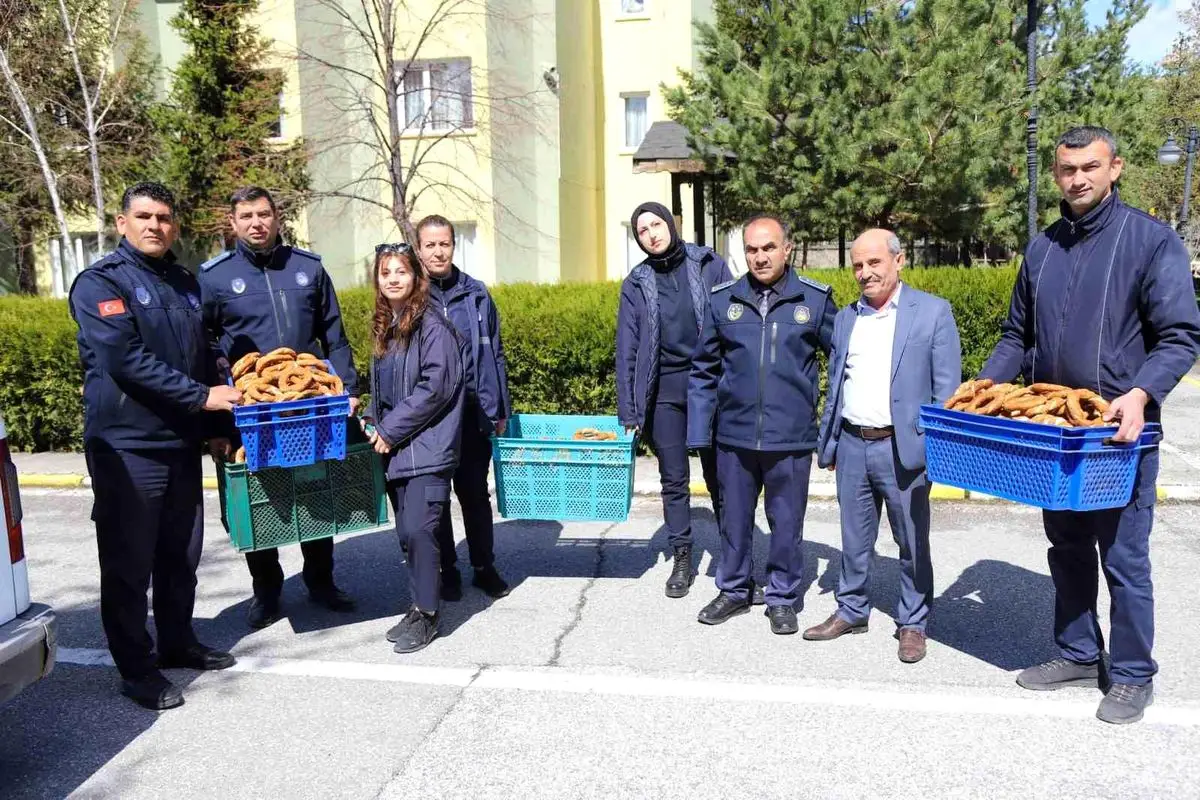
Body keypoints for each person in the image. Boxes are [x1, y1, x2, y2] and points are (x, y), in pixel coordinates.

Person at [979, 125, 1200, 724]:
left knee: (1124, 559)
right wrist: (981, 389)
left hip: (1119, 437)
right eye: (1067, 169)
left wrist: (1141, 393)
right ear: (1056, 173)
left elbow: (1180, 337)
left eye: (1089, 167)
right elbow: (1016, 336)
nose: (1077, 179)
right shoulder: (1043, 248)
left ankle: (1131, 674)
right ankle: (1078, 653)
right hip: (1057, 435)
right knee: (1068, 547)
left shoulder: (1151, 242)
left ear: (1114, 169)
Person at [68, 181, 241, 710]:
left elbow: (204, 353)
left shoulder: (185, 283)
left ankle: (177, 641)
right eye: (144, 216)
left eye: (164, 218)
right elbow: (125, 360)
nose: (155, 226)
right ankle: (137, 669)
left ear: (174, 226)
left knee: (180, 555)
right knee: (129, 563)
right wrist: (202, 397)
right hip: (128, 446)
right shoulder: (100, 284)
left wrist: (217, 422)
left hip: (181, 441)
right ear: (122, 223)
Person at [199, 186, 361, 630]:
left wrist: (347, 389)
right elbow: (204, 348)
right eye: (247, 216)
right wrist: (215, 422)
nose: (257, 223)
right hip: (249, 410)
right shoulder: (215, 277)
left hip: (309, 404)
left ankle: (321, 581)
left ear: (277, 217)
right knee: (258, 499)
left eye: (264, 214)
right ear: (233, 222)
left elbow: (335, 334)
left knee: (315, 493)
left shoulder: (308, 268)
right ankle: (266, 590)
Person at [806, 229, 962, 664]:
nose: (865, 272)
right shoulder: (846, 318)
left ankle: (913, 622)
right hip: (853, 444)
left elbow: (947, 392)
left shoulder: (932, 312)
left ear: (899, 260)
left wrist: (934, 451)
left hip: (904, 449)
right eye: (858, 265)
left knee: (911, 541)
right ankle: (851, 609)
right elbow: (836, 385)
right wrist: (831, 443)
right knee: (853, 539)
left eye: (874, 262)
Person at [688, 214, 836, 634]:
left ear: (787, 248)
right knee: (734, 521)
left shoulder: (815, 301)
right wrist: (699, 433)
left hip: (790, 439)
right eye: (752, 249)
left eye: (769, 247)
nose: (760, 256)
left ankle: (782, 597)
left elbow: (843, 363)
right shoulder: (723, 301)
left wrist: (830, 429)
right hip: (733, 437)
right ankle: (734, 589)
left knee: (786, 524)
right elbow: (703, 369)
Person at [617, 201, 731, 598]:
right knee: (674, 479)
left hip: (709, 387)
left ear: (670, 223)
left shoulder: (708, 264)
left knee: (721, 476)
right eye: (642, 230)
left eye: (656, 224)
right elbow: (627, 347)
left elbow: (736, 322)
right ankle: (682, 556)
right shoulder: (636, 282)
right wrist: (629, 408)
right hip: (664, 392)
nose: (651, 234)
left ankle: (734, 556)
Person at [365, 243, 466, 653]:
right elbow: (386, 391)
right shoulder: (387, 327)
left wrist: (389, 429)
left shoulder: (432, 326)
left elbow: (435, 388)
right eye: (385, 272)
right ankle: (418, 603)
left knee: (421, 532)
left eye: (401, 271)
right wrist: (370, 416)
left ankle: (428, 613)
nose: (393, 278)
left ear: (416, 277)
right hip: (398, 451)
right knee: (407, 534)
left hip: (428, 448)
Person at [416, 215, 511, 600]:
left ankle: (484, 567)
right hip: (431, 419)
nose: (438, 252)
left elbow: (496, 352)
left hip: (473, 412)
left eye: (445, 244)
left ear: (454, 246)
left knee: (474, 495)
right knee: (436, 497)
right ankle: (447, 570)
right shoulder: (412, 295)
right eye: (430, 245)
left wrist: (500, 407)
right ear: (419, 249)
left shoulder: (476, 293)